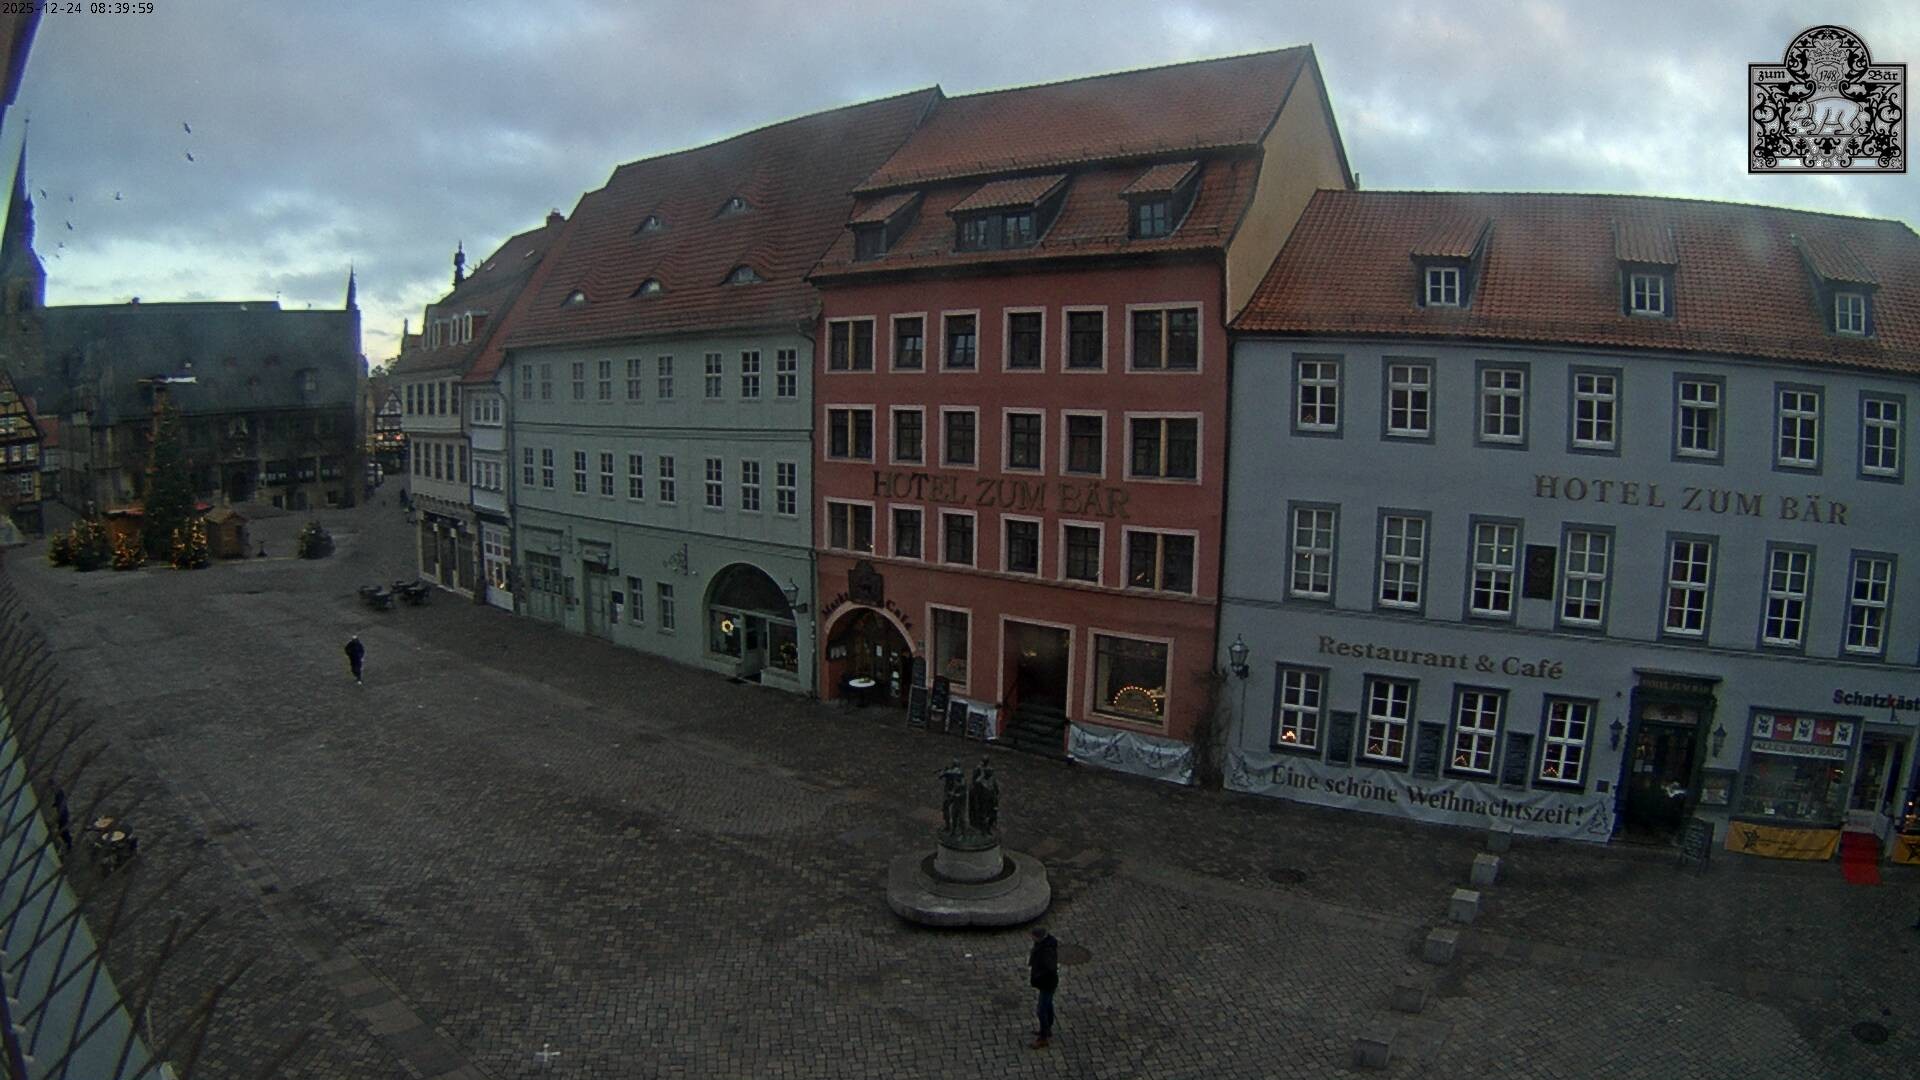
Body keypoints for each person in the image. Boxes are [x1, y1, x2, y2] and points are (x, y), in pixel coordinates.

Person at [1028, 925, 1058, 1049]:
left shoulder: (1046, 951)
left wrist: (1038, 975)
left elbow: (1049, 968)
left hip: (1047, 984)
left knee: (1041, 1010)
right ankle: (1047, 1028)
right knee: (1048, 1005)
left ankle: (1043, 1037)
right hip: (1048, 983)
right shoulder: (1045, 945)